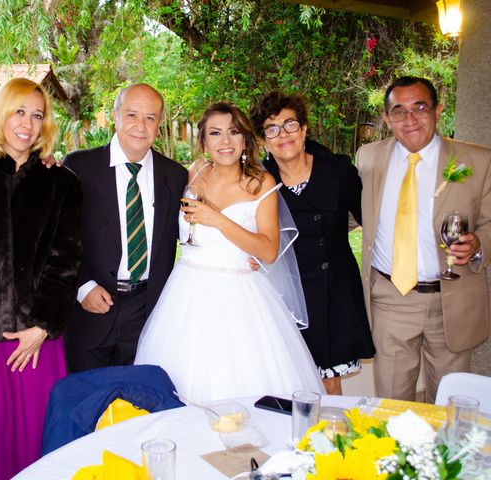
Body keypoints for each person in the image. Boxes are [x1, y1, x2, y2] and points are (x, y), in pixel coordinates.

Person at [135, 102, 324, 403]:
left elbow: (269, 249)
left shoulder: (261, 183)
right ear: (204, 141)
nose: (225, 142)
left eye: (233, 132)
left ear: (245, 139)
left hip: (240, 298)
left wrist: (218, 220)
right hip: (186, 295)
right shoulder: (193, 173)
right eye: (215, 133)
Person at [0, 78, 82, 480]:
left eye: (37, 115)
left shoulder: (62, 182)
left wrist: (42, 326)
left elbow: (67, 260)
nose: (28, 122)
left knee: (41, 450)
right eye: (19, 111)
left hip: (38, 343)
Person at [357, 76, 491, 402]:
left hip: (451, 299)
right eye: (399, 111)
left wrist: (478, 244)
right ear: (387, 119)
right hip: (390, 299)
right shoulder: (368, 158)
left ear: (438, 110)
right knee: (390, 404)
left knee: (448, 404)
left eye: (419, 107)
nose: (410, 119)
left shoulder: (478, 161)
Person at [250, 91, 375, 395]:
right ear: (264, 140)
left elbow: (372, 222)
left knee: (328, 383)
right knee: (287, 380)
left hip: (334, 293)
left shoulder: (338, 170)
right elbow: (248, 231)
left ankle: (330, 440)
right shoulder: (258, 181)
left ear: (304, 129)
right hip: (286, 296)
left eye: (290, 124)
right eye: (272, 129)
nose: (283, 135)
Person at [64, 83, 187, 372]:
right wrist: (81, 286)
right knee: (91, 406)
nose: (140, 126)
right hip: (91, 309)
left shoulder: (176, 176)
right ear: (116, 116)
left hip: (149, 313)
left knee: (141, 411)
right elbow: (59, 239)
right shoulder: (79, 167)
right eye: (132, 115)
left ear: (160, 123)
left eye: (150, 117)